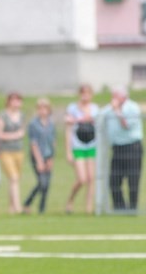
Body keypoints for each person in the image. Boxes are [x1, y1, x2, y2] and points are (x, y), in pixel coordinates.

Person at [102, 85, 143, 211]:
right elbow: (98, 117)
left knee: (133, 179)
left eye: (116, 96)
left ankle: (132, 208)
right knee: (114, 180)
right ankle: (120, 208)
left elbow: (126, 125)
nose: (113, 99)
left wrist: (118, 111)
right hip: (117, 148)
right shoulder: (109, 109)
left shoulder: (133, 108)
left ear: (124, 96)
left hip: (132, 147)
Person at [64, 84, 98, 214]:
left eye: (88, 93)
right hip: (78, 145)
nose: (85, 96)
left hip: (91, 145)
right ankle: (70, 200)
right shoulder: (72, 108)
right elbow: (68, 129)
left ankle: (88, 209)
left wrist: (89, 116)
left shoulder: (94, 109)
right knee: (82, 178)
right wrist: (68, 151)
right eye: (83, 93)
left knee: (91, 178)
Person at [23, 97, 56, 214]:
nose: (43, 111)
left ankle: (42, 209)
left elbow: (53, 141)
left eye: (45, 108)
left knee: (47, 184)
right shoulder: (33, 124)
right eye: (40, 108)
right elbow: (34, 143)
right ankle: (27, 203)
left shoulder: (51, 124)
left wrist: (51, 158)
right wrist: (39, 161)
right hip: (37, 156)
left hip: (48, 155)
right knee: (42, 182)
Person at [0, 92, 26, 214]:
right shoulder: (2, 115)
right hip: (5, 151)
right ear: (9, 101)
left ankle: (11, 207)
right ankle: (18, 208)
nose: (16, 103)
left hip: (18, 151)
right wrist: (14, 135)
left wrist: (19, 135)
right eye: (14, 100)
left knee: (15, 180)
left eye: (18, 100)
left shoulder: (21, 115)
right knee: (13, 177)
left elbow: (22, 131)